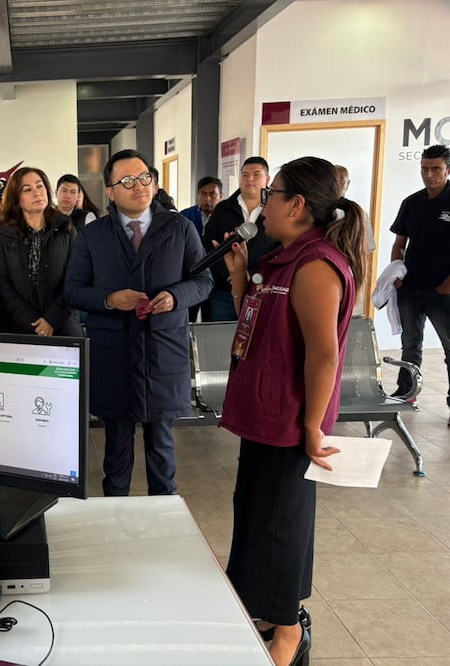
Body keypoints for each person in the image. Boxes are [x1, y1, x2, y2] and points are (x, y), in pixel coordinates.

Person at [219, 156, 368, 666]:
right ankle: (258, 611)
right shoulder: (282, 260)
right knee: (254, 515)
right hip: (263, 415)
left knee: (282, 523)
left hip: (289, 424)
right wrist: (240, 278)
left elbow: (325, 354)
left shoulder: (316, 265)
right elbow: (258, 328)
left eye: (273, 194)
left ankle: (287, 630)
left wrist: (311, 427)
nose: (263, 206)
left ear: (298, 205)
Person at [64, 149, 212, 496]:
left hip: (163, 349)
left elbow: (204, 281)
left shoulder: (179, 228)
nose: (139, 186)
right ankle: (115, 517)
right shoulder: (92, 235)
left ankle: (164, 520)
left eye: (145, 177)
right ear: (110, 191)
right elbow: (72, 291)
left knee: (162, 447)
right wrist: (109, 300)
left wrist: (175, 297)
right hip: (114, 352)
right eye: (127, 181)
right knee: (116, 449)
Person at [390, 144, 450, 420]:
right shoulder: (411, 203)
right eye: (425, 168)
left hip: (444, 290)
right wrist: (396, 273)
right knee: (410, 344)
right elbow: (399, 244)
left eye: (435, 169)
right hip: (411, 288)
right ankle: (405, 393)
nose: (429, 174)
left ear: (447, 170)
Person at [0, 167, 82, 337]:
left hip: (62, 323)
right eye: (28, 189)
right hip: (17, 326)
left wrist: (52, 319)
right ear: (17, 198)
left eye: (40, 186)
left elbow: (75, 278)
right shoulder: (3, 234)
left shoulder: (65, 228)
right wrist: (33, 322)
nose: (37, 193)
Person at [202, 157, 279, 321]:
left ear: (267, 179)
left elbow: (280, 249)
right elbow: (209, 246)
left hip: (263, 291)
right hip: (224, 293)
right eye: (245, 175)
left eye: (256, 174)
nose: (249, 179)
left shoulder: (276, 210)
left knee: (258, 342)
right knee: (220, 340)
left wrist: (250, 275)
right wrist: (232, 275)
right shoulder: (223, 209)